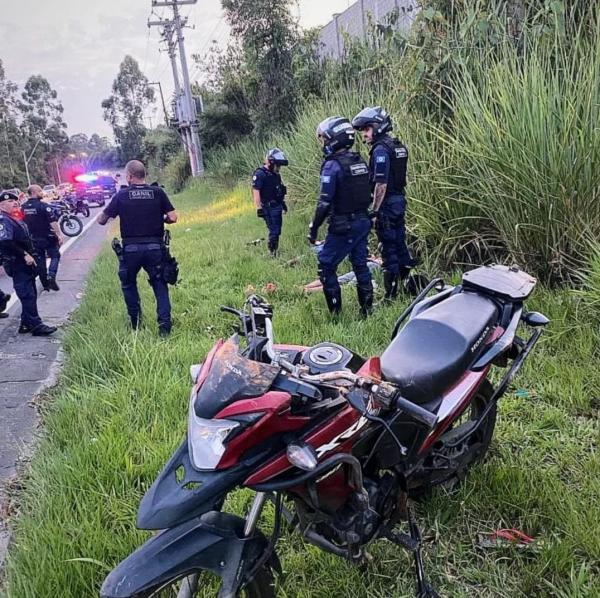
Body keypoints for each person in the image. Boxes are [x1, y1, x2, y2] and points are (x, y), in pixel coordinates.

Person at [98, 160, 178, 336]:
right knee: (160, 285)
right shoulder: (157, 192)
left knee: (128, 284)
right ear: (144, 175)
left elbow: (102, 220)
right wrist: (160, 219)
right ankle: (164, 327)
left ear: (129, 176)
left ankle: (135, 324)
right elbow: (173, 217)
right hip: (155, 248)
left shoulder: (122, 195)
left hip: (130, 249)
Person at [307, 116, 374, 316]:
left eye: (325, 139)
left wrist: (313, 228)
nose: (324, 143)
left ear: (334, 140)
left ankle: (336, 315)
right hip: (363, 221)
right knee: (360, 264)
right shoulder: (359, 161)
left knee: (326, 265)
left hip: (343, 225)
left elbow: (325, 202)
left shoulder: (332, 166)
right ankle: (367, 311)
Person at [352, 106, 414, 300]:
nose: (364, 135)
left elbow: (381, 183)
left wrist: (374, 211)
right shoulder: (397, 146)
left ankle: (391, 295)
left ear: (378, 127)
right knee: (400, 243)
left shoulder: (380, 150)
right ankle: (408, 285)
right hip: (399, 201)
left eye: (366, 129)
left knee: (389, 248)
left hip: (387, 204)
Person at [0, 191, 56, 335]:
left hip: (25, 262)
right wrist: (24, 254)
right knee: (27, 294)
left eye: (15, 201)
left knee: (30, 292)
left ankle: (25, 324)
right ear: (2, 205)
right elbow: (5, 241)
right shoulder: (3, 219)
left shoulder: (13, 218)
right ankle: (36, 326)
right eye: (10, 202)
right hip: (17, 262)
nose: (14, 203)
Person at [21, 184, 63, 291]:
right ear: (34, 193)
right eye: (40, 191)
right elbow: (53, 222)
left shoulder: (23, 208)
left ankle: (45, 285)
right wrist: (59, 235)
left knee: (40, 261)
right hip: (47, 237)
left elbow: (20, 224)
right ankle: (51, 276)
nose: (42, 193)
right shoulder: (43, 206)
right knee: (55, 255)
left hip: (32, 239)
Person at [252, 148, 289, 257]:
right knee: (274, 230)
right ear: (271, 163)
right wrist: (259, 208)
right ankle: (272, 253)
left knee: (277, 229)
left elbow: (278, 190)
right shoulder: (260, 174)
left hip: (277, 206)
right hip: (268, 207)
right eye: (277, 165)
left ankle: (274, 250)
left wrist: (283, 204)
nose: (279, 168)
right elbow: (256, 191)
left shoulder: (276, 175)